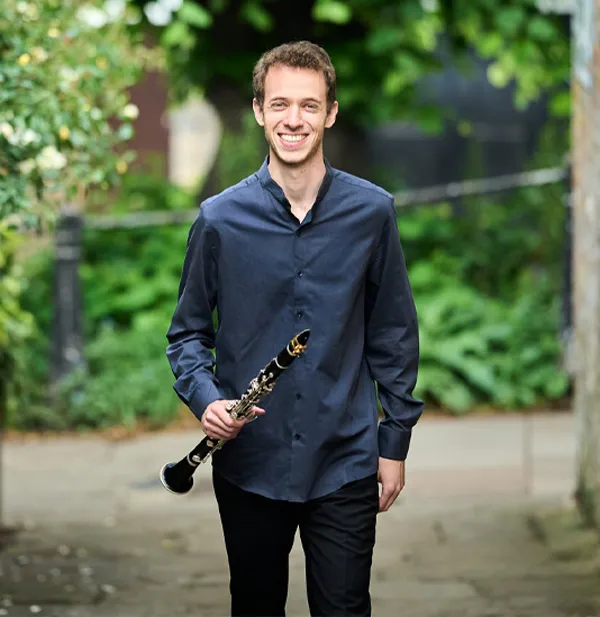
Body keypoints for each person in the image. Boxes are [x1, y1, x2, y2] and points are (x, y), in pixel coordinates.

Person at [166, 40, 423, 617]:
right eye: (280, 104)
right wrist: (205, 399)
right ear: (259, 111)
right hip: (251, 462)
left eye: (309, 106)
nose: (293, 120)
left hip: (346, 457)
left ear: (330, 113)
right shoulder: (218, 220)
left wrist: (394, 441)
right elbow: (186, 334)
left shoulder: (372, 212)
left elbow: (394, 335)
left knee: (344, 608)